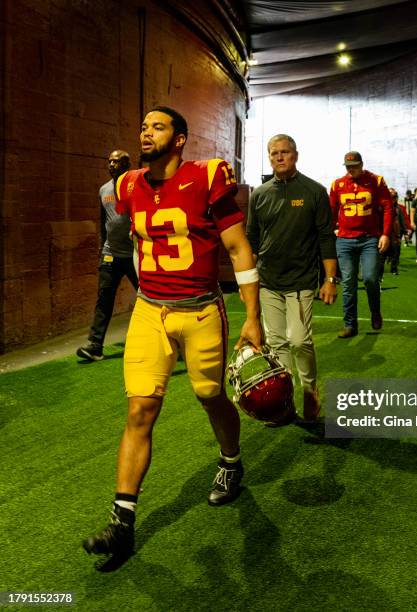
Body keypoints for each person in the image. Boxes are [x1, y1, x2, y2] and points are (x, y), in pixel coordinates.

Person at [83, 106, 262, 566]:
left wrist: (252, 316)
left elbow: (238, 246)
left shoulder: (206, 176)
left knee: (209, 394)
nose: (146, 132)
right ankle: (122, 522)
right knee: (140, 408)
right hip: (149, 310)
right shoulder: (126, 184)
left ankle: (230, 461)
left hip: (200, 310)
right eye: (143, 125)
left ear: (180, 138)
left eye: (157, 126)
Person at [247, 134, 337, 422]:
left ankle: (310, 391)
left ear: (295, 155)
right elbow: (251, 240)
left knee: (298, 341)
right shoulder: (260, 195)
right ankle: (284, 402)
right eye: (274, 153)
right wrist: (249, 282)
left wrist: (330, 279)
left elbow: (326, 239)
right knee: (275, 344)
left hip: (301, 281)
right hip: (268, 282)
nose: (279, 157)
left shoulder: (314, 191)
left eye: (284, 152)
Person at [76, 151, 138, 361]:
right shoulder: (104, 190)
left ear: (127, 164)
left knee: (149, 298)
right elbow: (105, 223)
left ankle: (168, 342)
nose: (111, 164)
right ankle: (95, 346)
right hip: (111, 253)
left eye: (117, 161)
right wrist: (103, 250)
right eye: (109, 161)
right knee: (104, 298)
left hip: (135, 254)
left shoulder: (137, 186)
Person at [329, 151, 392, 337]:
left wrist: (386, 234)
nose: (351, 169)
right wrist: (333, 227)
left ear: (362, 164)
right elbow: (331, 209)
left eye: (355, 166)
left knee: (371, 278)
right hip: (345, 239)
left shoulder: (376, 181)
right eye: (348, 166)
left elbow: (388, 206)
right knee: (348, 283)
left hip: (369, 238)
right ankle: (350, 324)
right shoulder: (337, 184)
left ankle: (375, 311)